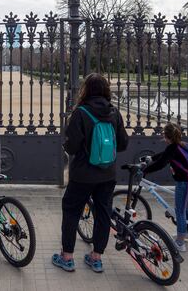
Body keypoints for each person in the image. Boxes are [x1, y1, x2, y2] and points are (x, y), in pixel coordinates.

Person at [52, 73, 129, 273]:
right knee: (103, 214)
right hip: (107, 175)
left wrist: (68, 145)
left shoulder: (81, 112)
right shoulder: (114, 113)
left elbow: (73, 147)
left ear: (85, 89)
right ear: (106, 90)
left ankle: (67, 257)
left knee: (71, 212)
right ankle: (96, 258)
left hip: (82, 175)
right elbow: (122, 144)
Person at [143, 122, 188, 252]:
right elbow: (164, 155)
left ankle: (180, 243)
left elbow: (162, 163)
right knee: (184, 206)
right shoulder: (181, 145)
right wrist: (151, 158)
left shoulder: (173, 148)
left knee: (179, 210)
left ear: (166, 136)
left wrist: (145, 170)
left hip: (185, 182)